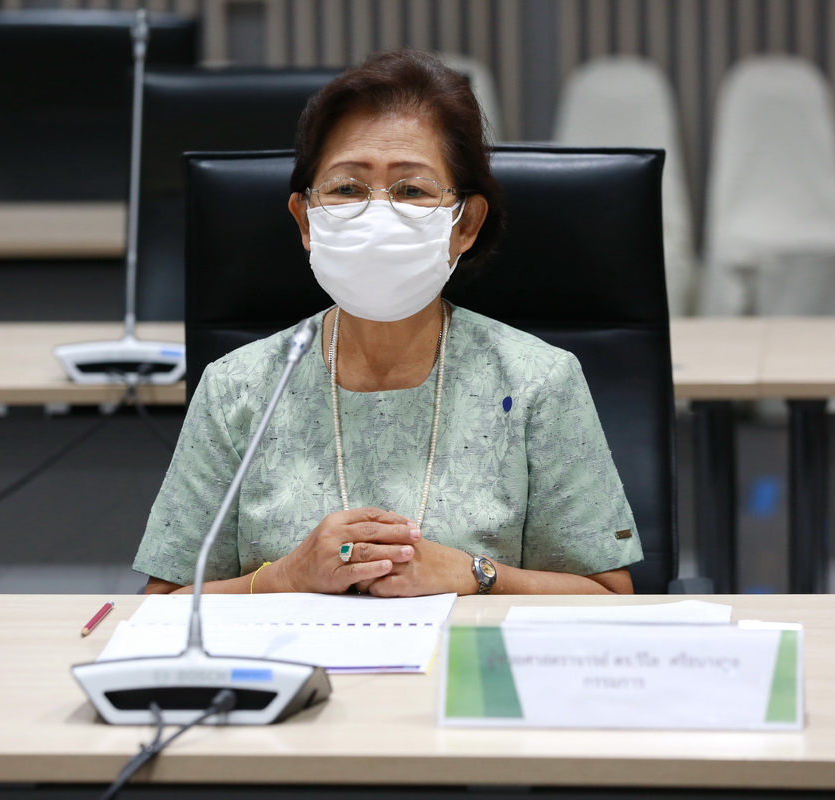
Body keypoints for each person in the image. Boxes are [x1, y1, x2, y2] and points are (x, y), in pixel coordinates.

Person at [135, 49, 641, 597]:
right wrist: (285, 576)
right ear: (306, 219)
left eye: (412, 190)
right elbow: (162, 606)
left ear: (465, 224)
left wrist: (475, 574)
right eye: (347, 189)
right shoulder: (238, 386)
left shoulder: (536, 380)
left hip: (466, 652)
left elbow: (609, 596)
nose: (378, 215)